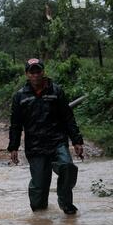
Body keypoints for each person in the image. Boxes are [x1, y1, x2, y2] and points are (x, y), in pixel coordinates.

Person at [7, 58, 84, 215]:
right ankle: (40, 217)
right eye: (32, 71)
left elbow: (68, 117)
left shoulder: (56, 91)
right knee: (39, 188)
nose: (35, 75)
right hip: (35, 146)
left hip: (57, 142)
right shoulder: (20, 96)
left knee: (67, 167)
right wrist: (13, 147)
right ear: (27, 74)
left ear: (43, 72)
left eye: (38, 71)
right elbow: (15, 124)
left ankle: (65, 203)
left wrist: (76, 141)